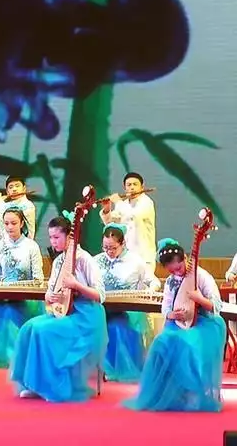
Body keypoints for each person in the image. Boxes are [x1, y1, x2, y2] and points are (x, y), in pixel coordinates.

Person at [11, 214, 107, 402]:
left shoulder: (84, 259)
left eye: (56, 237)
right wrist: (50, 296)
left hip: (86, 316)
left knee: (44, 331)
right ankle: (33, 385)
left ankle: (51, 386)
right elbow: (50, 292)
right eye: (51, 237)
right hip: (64, 311)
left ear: (69, 236)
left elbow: (100, 295)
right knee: (28, 328)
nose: (53, 241)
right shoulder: (58, 262)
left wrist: (76, 285)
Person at [124, 238, 227, 412]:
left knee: (186, 344)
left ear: (185, 258)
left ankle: (193, 393)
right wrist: (172, 314)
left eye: (178, 268)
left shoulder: (201, 276)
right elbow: (166, 307)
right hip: (178, 323)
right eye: (171, 271)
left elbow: (217, 306)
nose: (176, 273)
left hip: (205, 323)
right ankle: (168, 394)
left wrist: (199, 299)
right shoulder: (171, 281)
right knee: (161, 343)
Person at [94, 222, 161, 383]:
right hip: (102, 308)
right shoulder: (96, 260)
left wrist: (147, 292)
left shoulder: (135, 261)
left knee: (117, 326)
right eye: (105, 247)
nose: (109, 252)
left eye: (113, 248)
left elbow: (154, 282)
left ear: (123, 243)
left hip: (127, 309)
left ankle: (118, 368)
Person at [0, 205, 44, 368]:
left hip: (27, 297)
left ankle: (24, 356)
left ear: (22, 223)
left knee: (16, 309)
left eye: (14, 223)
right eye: (6, 223)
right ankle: (6, 356)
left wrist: (24, 288)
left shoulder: (31, 246)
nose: (9, 227)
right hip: (5, 296)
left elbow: (38, 278)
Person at [99, 172, 156, 273]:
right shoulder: (124, 204)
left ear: (142, 187)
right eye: (129, 185)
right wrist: (107, 209)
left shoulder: (147, 202)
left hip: (144, 256)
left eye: (135, 184)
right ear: (124, 188)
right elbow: (110, 223)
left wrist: (118, 202)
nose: (132, 188)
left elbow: (134, 216)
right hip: (126, 256)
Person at [0, 175, 37, 241]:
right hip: (3, 245)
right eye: (11, 187)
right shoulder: (4, 205)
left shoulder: (28, 205)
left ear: (24, 188)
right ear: (7, 191)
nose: (14, 189)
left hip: (21, 244)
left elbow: (28, 231)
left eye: (17, 186)